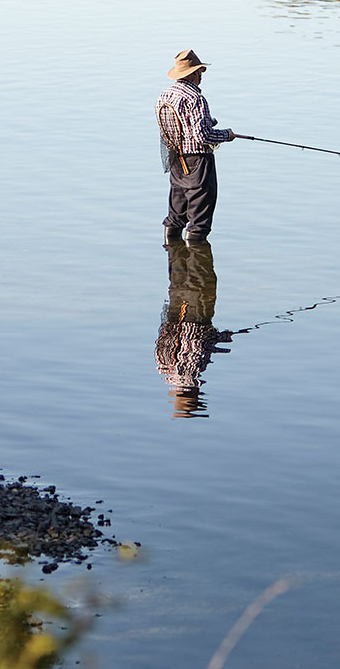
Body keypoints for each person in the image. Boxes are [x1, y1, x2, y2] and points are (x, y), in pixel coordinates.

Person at [156, 49, 235, 245]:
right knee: (200, 218)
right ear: (192, 73)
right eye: (200, 72)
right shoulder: (195, 99)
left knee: (176, 213)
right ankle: (197, 265)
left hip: (176, 160)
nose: (201, 76)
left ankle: (174, 258)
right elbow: (203, 137)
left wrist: (209, 123)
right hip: (198, 163)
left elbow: (179, 128)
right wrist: (227, 135)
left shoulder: (164, 95)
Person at [155, 239, 232, 418]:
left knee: (200, 277)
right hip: (174, 313)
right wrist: (222, 339)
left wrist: (224, 340)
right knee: (185, 275)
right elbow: (198, 345)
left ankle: (192, 243)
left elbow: (201, 344)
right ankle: (189, 243)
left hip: (193, 316)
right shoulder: (163, 368)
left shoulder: (184, 372)